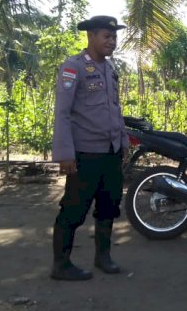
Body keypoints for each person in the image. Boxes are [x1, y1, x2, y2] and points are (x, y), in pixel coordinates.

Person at [50, 15, 130, 281]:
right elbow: (62, 112)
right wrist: (64, 154)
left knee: (109, 205)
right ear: (91, 37)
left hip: (110, 152)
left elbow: (115, 110)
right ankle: (61, 265)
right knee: (74, 209)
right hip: (85, 154)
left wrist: (123, 142)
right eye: (106, 36)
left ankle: (103, 257)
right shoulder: (73, 68)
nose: (112, 41)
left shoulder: (109, 69)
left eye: (114, 36)